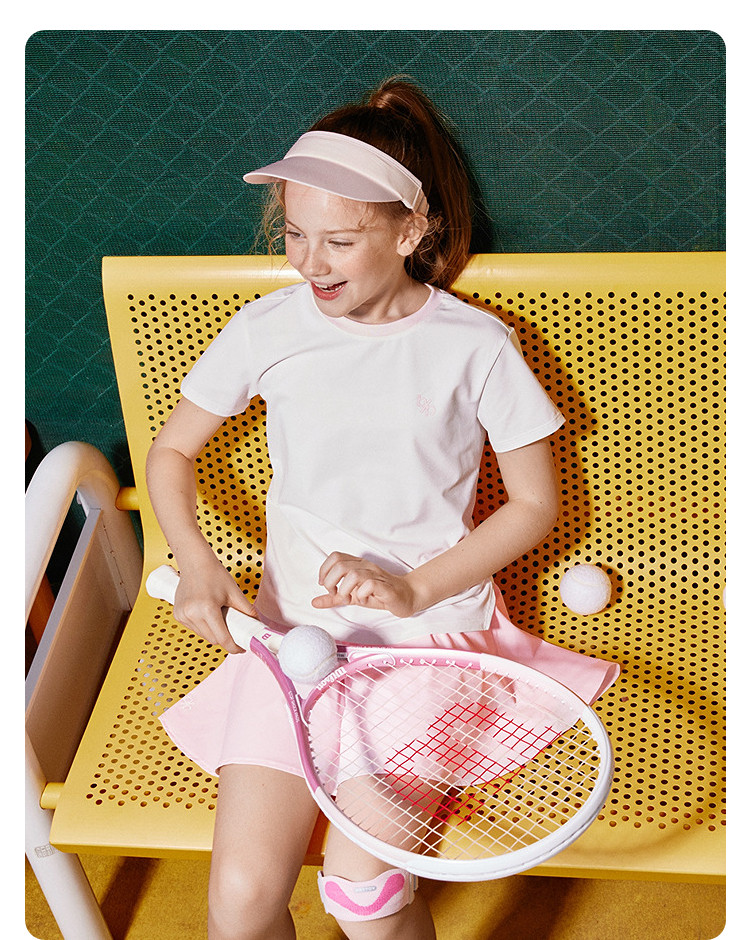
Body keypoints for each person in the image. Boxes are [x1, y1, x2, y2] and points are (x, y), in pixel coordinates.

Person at [147, 77, 618, 940]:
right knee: (240, 902)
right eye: (294, 233)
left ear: (410, 231)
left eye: (339, 240)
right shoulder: (266, 329)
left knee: (362, 898)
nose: (310, 261)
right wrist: (198, 564)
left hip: (423, 645)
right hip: (290, 642)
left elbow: (534, 505)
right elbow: (171, 452)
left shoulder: (476, 346)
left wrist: (412, 590)